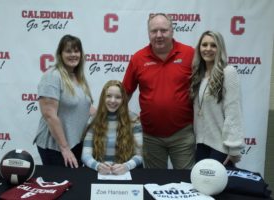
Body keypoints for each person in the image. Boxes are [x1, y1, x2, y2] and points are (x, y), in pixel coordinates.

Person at [122, 13, 195, 169]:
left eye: (164, 30)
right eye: (154, 31)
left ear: (172, 31)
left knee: (186, 182)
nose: (159, 35)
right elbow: (124, 93)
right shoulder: (138, 58)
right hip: (150, 136)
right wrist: (118, 122)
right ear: (148, 33)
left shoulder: (190, 54)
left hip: (182, 134)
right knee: (154, 183)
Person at [33, 34, 93, 168]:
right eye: (68, 51)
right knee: (61, 185)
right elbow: (49, 115)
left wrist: (113, 116)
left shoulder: (78, 77)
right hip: (56, 147)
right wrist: (64, 148)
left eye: (76, 51)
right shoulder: (52, 76)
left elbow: (85, 107)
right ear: (60, 54)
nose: (73, 54)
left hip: (76, 143)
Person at [189, 30, 244, 167]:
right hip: (201, 145)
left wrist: (234, 148)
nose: (208, 49)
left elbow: (233, 112)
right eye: (204, 45)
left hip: (221, 148)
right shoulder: (199, 75)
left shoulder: (228, 72)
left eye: (213, 45)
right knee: (201, 187)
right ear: (199, 48)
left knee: (219, 188)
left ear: (220, 48)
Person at [81, 80, 143, 175]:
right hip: (100, 173)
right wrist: (97, 166)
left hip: (125, 173)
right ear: (103, 98)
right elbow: (85, 155)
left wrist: (126, 166)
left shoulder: (134, 120)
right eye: (109, 96)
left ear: (123, 99)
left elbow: (139, 155)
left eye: (118, 97)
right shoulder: (94, 119)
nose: (113, 100)